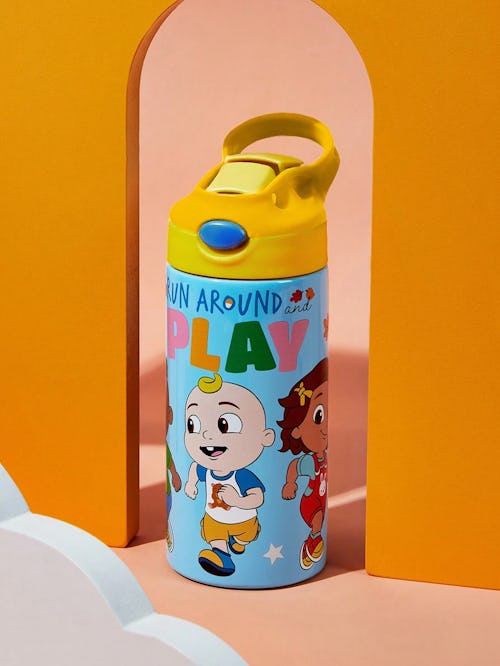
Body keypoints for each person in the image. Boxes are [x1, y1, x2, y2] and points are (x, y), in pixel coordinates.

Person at [184, 373, 275, 576]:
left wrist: (237, 500)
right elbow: (194, 468)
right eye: (193, 424)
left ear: (265, 437)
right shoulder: (207, 469)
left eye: (225, 425)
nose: (207, 435)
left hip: (244, 521)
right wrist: (191, 483)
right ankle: (222, 558)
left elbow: (258, 497)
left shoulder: (242, 476)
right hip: (214, 518)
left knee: (244, 537)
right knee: (213, 533)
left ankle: (238, 542)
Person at [278, 358, 328, 569]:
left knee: (320, 518)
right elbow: (294, 467)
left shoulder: (319, 458)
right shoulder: (311, 462)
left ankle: (310, 546)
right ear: (297, 430)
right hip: (310, 503)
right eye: (318, 417)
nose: (324, 427)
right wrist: (290, 484)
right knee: (317, 518)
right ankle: (312, 541)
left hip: (319, 500)